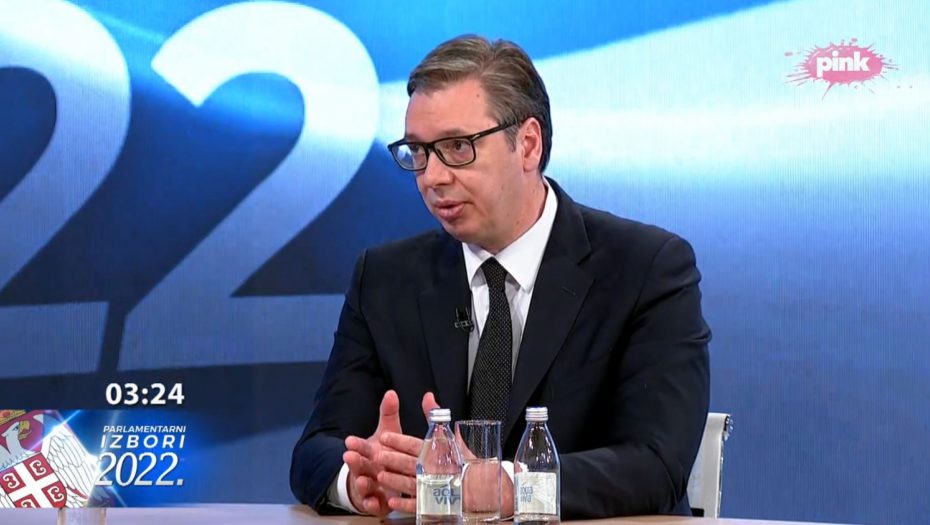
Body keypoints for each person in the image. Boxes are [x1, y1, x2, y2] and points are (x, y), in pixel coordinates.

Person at [290, 34, 711, 519]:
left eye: (457, 147)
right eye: (419, 151)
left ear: (527, 144)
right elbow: (316, 449)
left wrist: (508, 487)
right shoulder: (385, 280)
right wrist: (359, 478)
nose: (432, 176)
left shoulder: (646, 269)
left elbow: (656, 465)